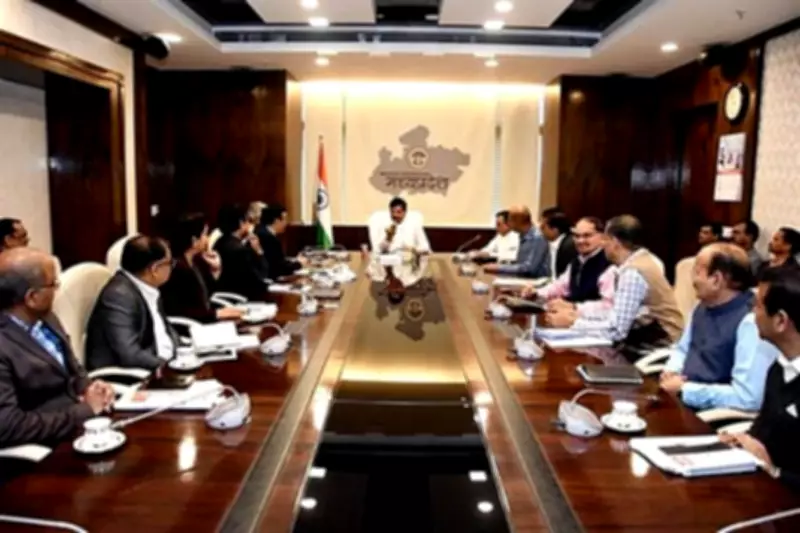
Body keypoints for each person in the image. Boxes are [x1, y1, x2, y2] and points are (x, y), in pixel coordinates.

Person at [0, 248, 114, 447]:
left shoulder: (46, 317)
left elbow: (72, 368)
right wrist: (84, 411)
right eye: (53, 284)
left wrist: (90, 386)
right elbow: (8, 425)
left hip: (83, 428)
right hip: (45, 449)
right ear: (32, 297)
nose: (57, 290)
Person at [660, 243, 777, 410]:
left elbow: (748, 397)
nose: (693, 280)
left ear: (716, 279)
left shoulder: (752, 322)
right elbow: (683, 349)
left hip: (712, 414)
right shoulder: (702, 306)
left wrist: (686, 390)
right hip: (679, 398)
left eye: (697, 272)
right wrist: (672, 370)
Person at [721, 266, 800, 487]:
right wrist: (741, 440)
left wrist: (775, 473)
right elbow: (763, 432)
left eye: (757, 306)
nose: (752, 315)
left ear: (780, 320)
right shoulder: (778, 369)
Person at [569, 215, 683, 348]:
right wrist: (577, 315)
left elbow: (616, 331)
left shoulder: (632, 273)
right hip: (647, 340)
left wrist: (573, 323)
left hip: (661, 347)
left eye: (605, 239)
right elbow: (616, 315)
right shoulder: (639, 261)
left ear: (615, 242)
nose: (603, 244)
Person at [85, 236, 179, 371]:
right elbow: (130, 356)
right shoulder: (119, 296)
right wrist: (170, 368)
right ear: (154, 269)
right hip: (132, 376)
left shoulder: (148, 287)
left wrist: (183, 353)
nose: (171, 267)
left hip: (161, 363)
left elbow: (165, 329)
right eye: (170, 263)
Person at [524, 217, 615, 322]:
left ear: (602, 237)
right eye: (577, 236)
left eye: (587, 235)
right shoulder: (577, 261)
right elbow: (559, 286)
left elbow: (608, 306)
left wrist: (573, 306)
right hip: (573, 320)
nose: (580, 240)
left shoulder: (609, 265)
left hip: (595, 323)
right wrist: (537, 293)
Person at [161, 213, 244, 323]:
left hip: (207, 319)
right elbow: (180, 310)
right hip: (195, 326)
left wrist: (215, 270)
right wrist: (218, 313)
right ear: (194, 240)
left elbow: (208, 297)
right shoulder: (176, 269)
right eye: (205, 234)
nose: (207, 239)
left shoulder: (196, 261)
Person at [214, 205, 270, 300]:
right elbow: (261, 277)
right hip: (244, 298)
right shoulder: (241, 251)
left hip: (226, 297)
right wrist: (259, 252)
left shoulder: (218, 243)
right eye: (248, 221)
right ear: (241, 223)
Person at [484, 205, 550, 279]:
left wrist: (499, 268)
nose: (508, 223)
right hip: (524, 279)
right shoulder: (523, 235)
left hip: (536, 282)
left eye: (509, 220)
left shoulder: (537, 237)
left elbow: (529, 269)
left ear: (517, 221)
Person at [256, 204, 306, 279]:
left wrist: (294, 261)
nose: (286, 223)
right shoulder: (268, 238)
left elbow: (277, 260)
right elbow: (278, 268)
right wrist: (299, 264)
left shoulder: (261, 231)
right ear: (276, 221)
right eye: (285, 219)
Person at [540, 211, 577, 277]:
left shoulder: (569, 246)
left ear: (555, 230)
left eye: (543, 227)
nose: (540, 231)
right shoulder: (556, 243)